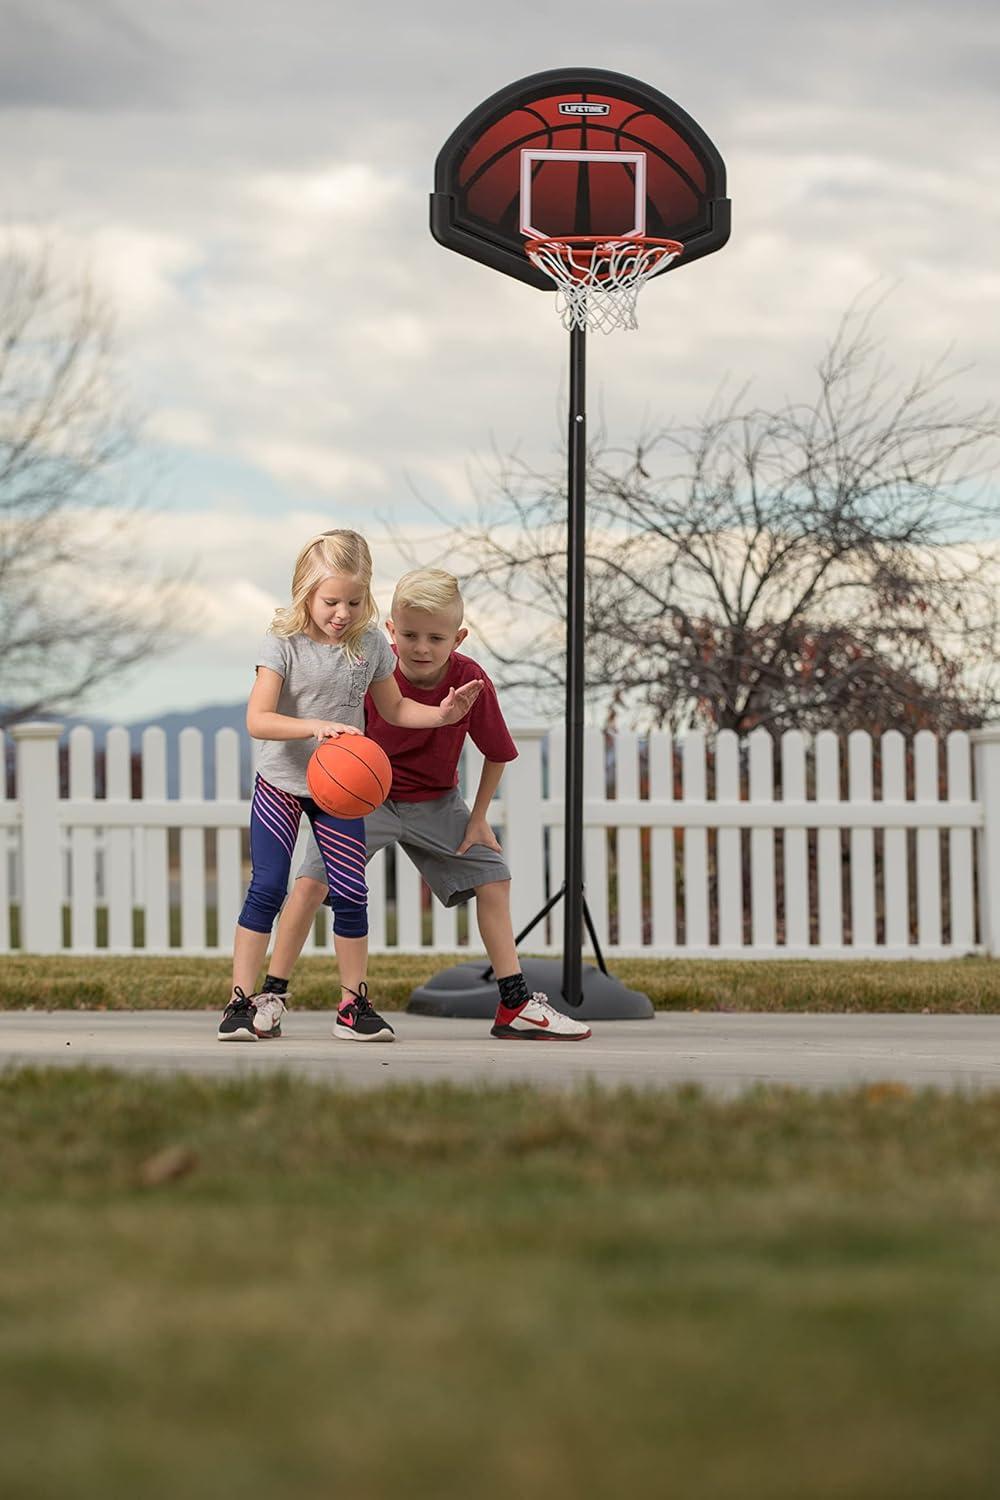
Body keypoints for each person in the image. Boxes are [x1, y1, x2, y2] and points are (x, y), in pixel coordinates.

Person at [264, 568, 592, 1041]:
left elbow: (497, 752)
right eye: (410, 634)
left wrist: (478, 818)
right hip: (365, 801)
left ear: (458, 637)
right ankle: (271, 995)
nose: (421, 647)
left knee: (494, 879)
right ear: (391, 630)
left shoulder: (470, 680)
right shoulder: (371, 666)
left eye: (436, 637)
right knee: (310, 884)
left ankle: (516, 1005)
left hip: (437, 802)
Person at [218, 535, 483, 1044]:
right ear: (306, 594)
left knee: (351, 893)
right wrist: (315, 726)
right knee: (268, 888)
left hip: (338, 792)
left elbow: (395, 709)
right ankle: (240, 1004)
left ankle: (352, 1005)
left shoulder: (368, 647)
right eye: (331, 602)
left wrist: (442, 714)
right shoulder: (281, 643)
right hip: (282, 785)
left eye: (355, 602)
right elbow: (258, 719)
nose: (342, 613)